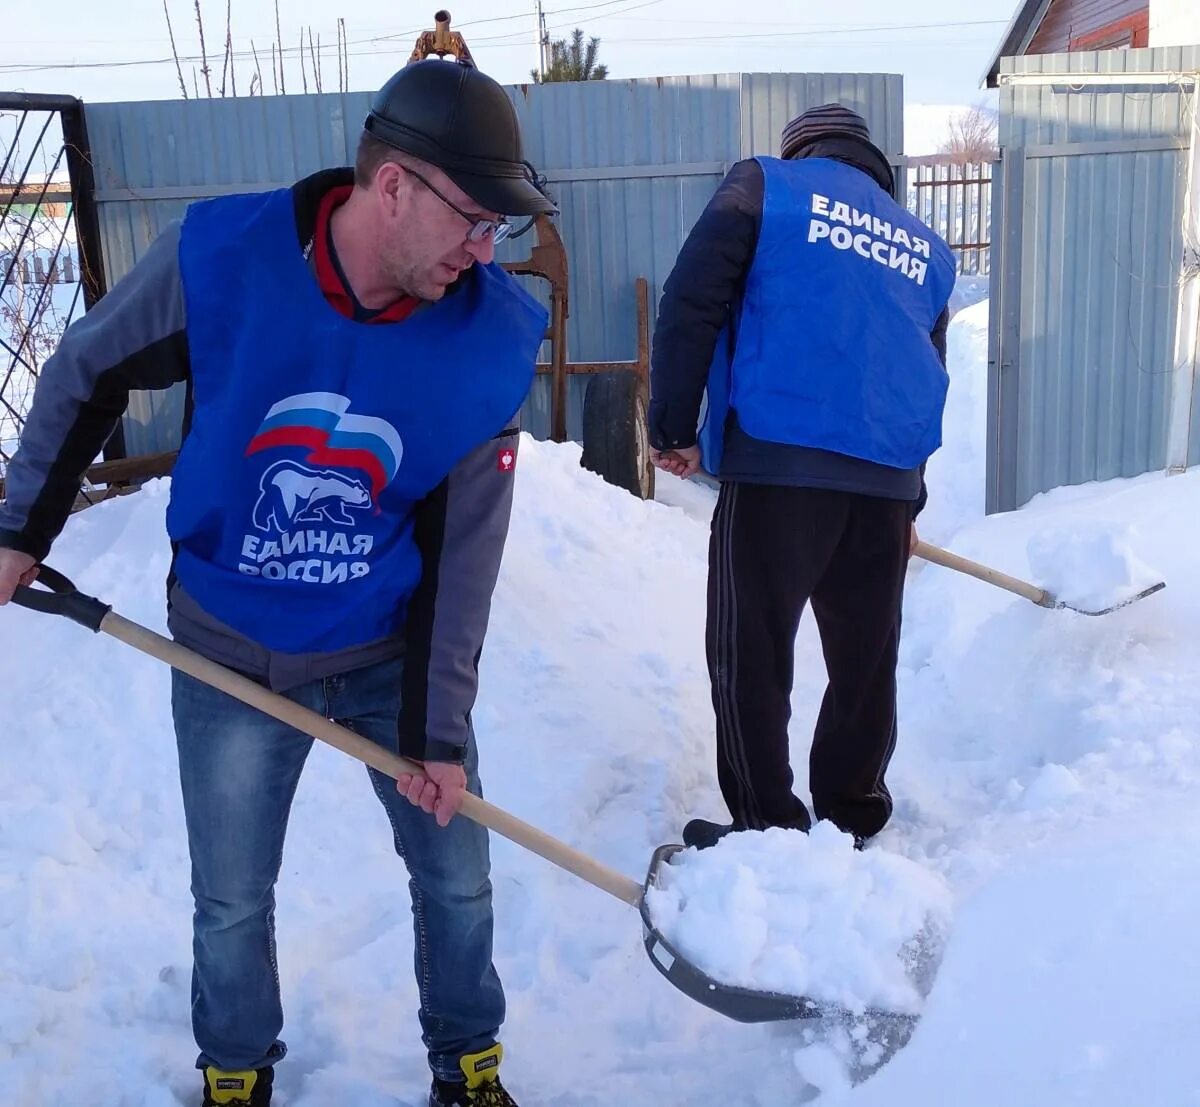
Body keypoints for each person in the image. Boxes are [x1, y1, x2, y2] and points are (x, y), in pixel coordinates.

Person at [0, 58, 555, 1107]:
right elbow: (85, 367)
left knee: (457, 879)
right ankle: (235, 1075)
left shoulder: (484, 340)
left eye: (501, 229)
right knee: (231, 901)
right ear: (393, 186)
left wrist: (437, 731)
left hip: (387, 648)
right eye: (476, 220)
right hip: (227, 640)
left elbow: (465, 553)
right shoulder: (222, 261)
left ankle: (468, 1063)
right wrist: (21, 527)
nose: (488, 251)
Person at [649, 104, 956, 852]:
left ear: (804, 150)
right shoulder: (926, 248)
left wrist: (672, 429)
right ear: (873, 166)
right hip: (884, 479)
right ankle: (852, 811)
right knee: (865, 656)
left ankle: (767, 824)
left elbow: (692, 301)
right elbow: (924, 369)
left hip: (780, 461)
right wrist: (909, 495)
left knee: (752, 648)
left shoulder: (765, 187)